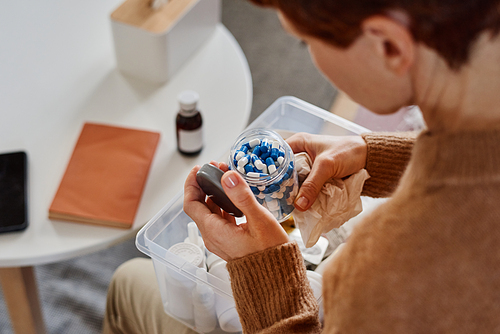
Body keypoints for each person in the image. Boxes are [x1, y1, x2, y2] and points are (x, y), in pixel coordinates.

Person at [104, 0, 500, 332]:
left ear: (390, 48)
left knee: (127, 284)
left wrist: (263, 271)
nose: (309, 51)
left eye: (303, 41)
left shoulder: (385, 272)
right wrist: (375, 155)